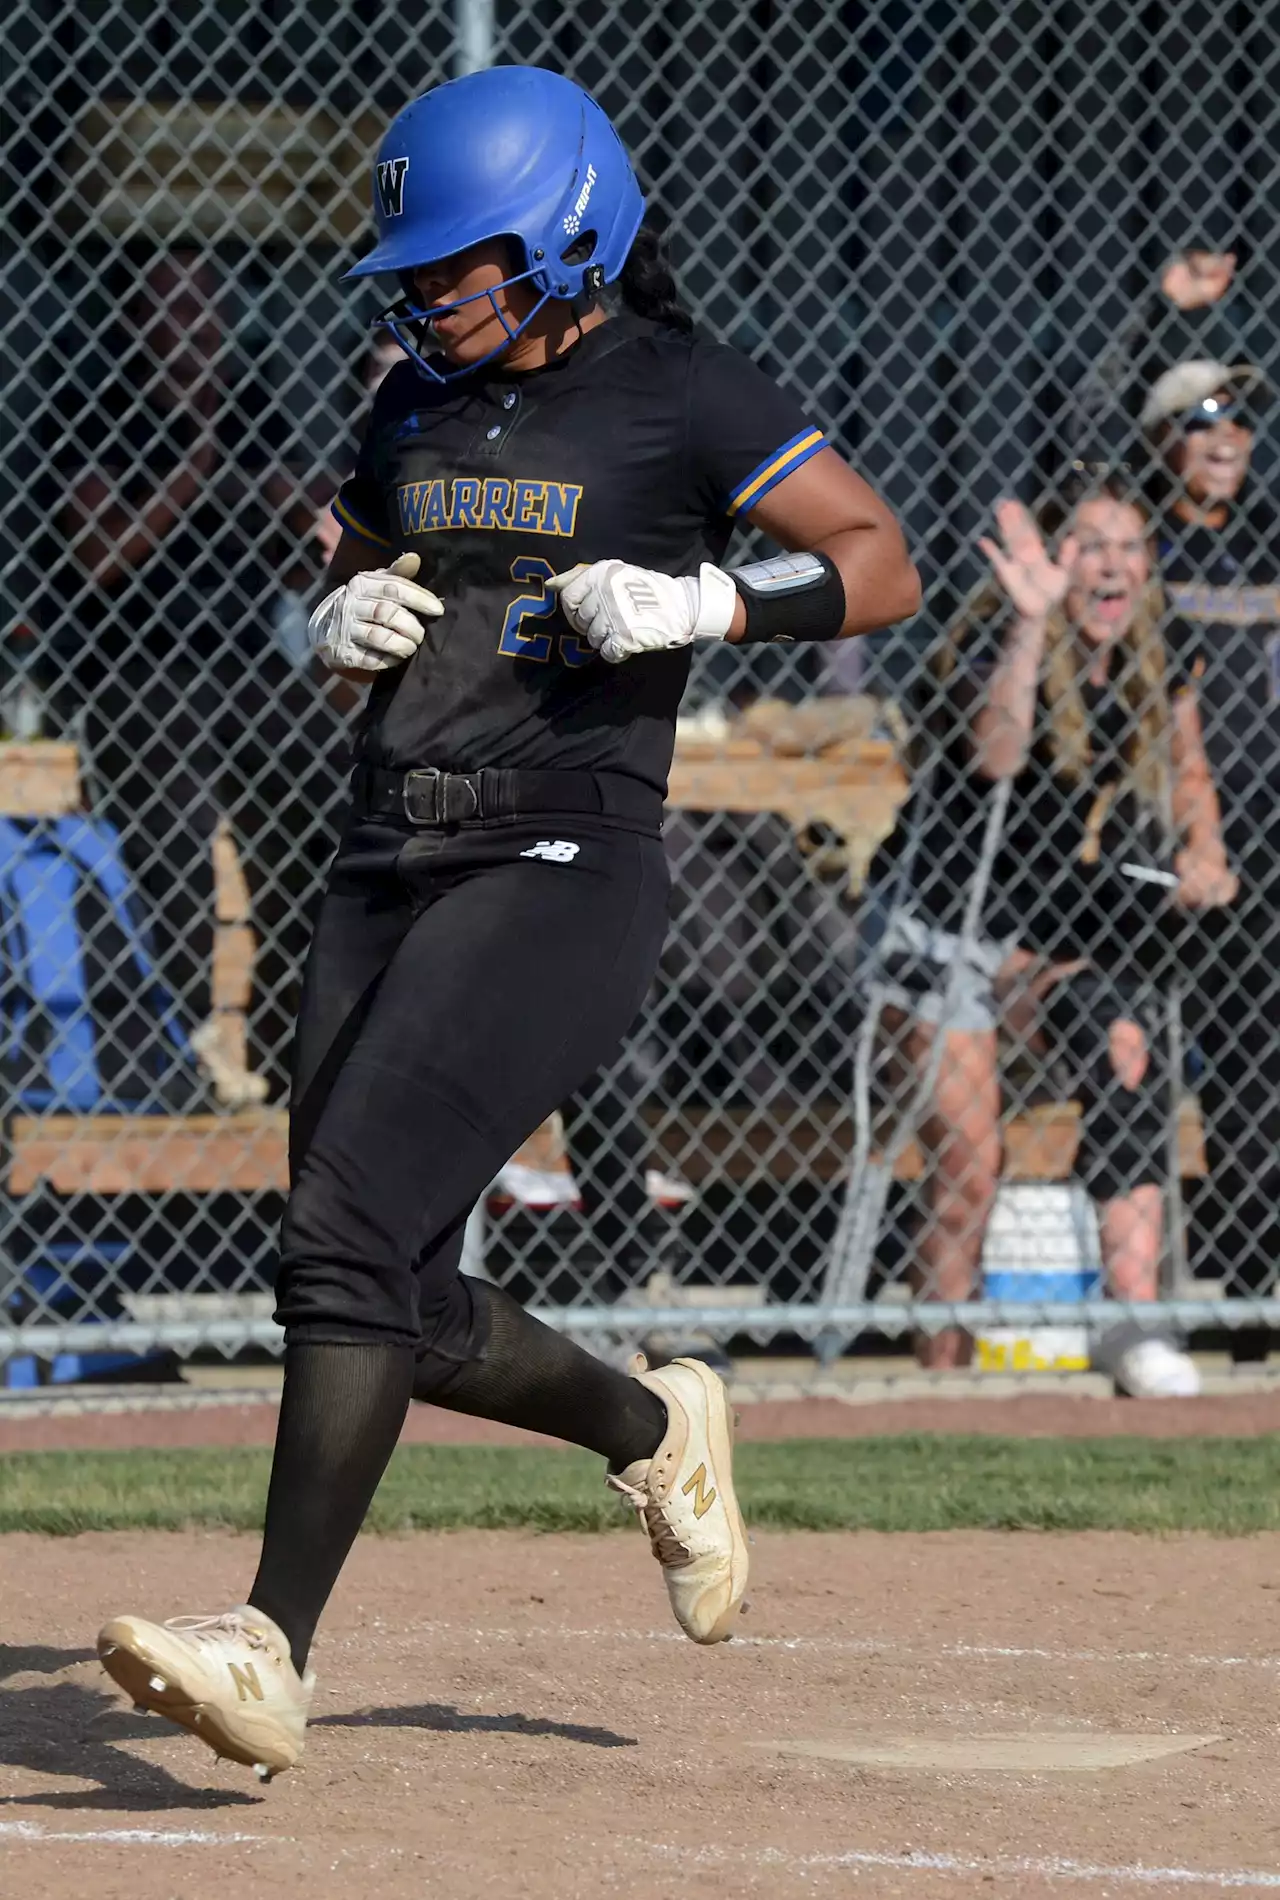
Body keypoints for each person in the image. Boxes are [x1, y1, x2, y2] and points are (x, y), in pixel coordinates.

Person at [95, 65, 920, 1778]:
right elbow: (390, 587)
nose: (427, 293)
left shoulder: (681, 390)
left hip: (561, 862)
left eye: (462, 266)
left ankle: (272, 1647)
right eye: (419, 270)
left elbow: (879, 560)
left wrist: (707, 594)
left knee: (339, 1242)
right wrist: (325, 624)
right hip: (386, 846)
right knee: (385, 1284)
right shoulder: (407, 400)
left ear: (565, 236)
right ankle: (654, 1425)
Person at [864, 473, 1233, 1392]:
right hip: (943, 923)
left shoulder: (1156, 648)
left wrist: (1205, 850)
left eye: (1127, 548)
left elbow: (1189, 772)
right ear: (1054, 561)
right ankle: (944, 1380)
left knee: (1125, 1050)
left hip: (1043, 927)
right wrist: (1033, 623)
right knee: (971, 1161)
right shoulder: (995, 637)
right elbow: (997, 756)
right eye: (1090, 546)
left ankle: (1133, 1318)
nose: (1111, 566)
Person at [52, 250, 335, 1103]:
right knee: (174, 856)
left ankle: (292, 1056)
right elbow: (99, 551)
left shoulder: (250, 402)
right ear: (139, 320)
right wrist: (194, 472)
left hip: (245, 660)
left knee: (330, 811)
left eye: (207, 306)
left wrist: (286, 497)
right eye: (174, 308)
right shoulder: (101, 403)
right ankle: (171, 1065)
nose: (196, 327)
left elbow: (303, 551)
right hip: (140, 665)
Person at [1139, 357, 1280, 1337]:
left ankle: (1252, 1284)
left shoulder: (1264, 541)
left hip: (1263, 834)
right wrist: (1166, 314)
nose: (1225, 435)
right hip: (1169, 839)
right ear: (1160, 439)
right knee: (1179, 1054)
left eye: (1238, 418)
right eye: (1200, 418)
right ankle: (1207, 1287)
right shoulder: (1137, 548)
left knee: (1255, 1063)